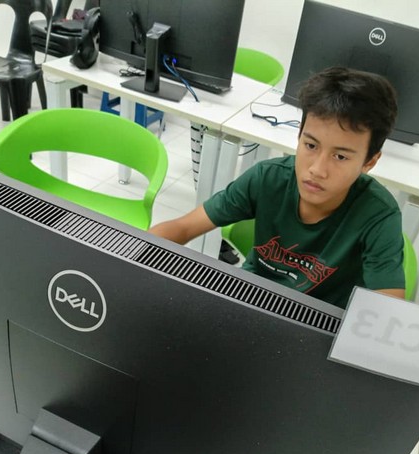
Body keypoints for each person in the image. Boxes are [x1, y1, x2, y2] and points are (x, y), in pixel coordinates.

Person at [149, 66, 405, 308]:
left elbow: (387, 307)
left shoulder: (378, 214)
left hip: (318, 321)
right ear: (299, 136)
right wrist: (136, 255)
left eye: (340, 156)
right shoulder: (268, 178)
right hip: (251, 298)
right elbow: (184, 227)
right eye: (311, 145)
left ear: (369, 162)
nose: (317, 169)